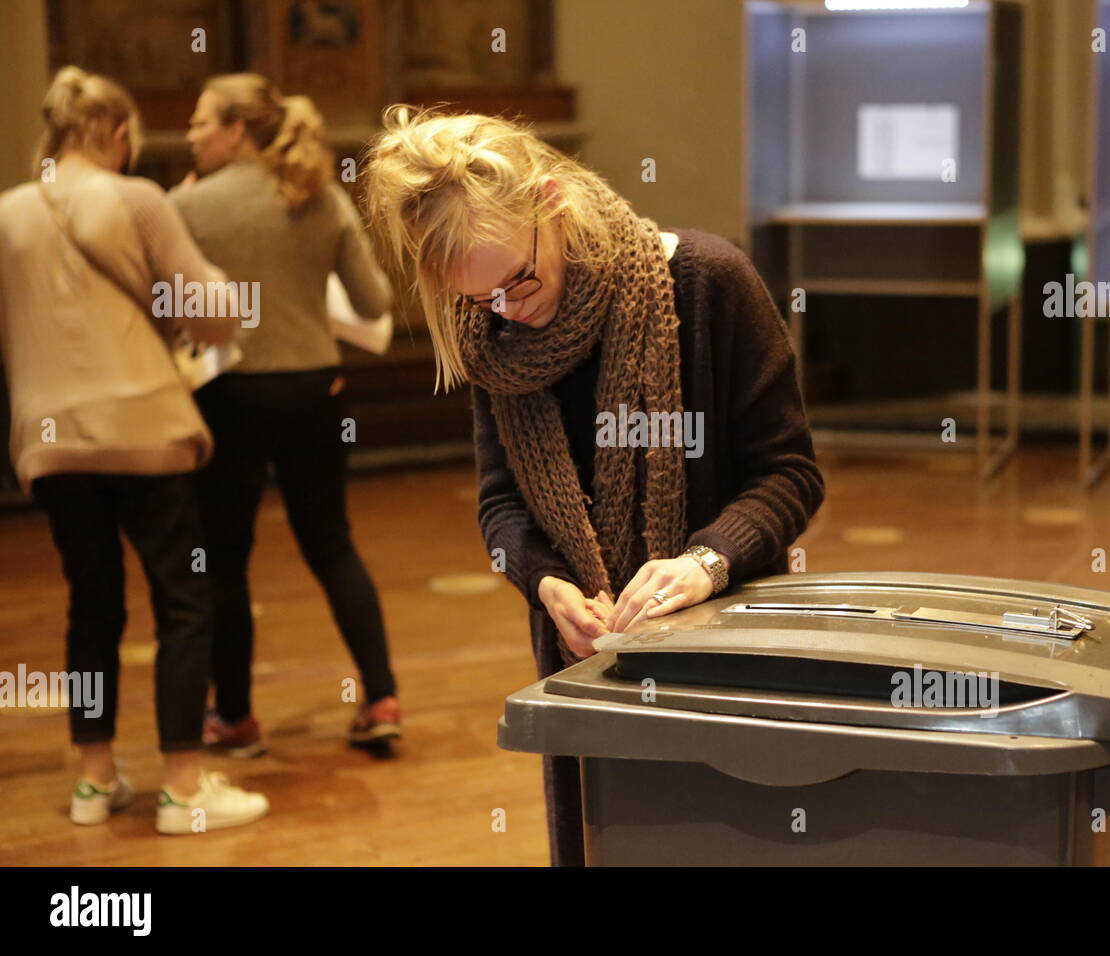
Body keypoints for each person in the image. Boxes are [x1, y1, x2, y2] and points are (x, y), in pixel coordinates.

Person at [363, 107, 825, 865]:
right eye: (479, 300)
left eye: (518, 279)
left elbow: (791, 474)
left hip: (726, 651)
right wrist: (545, 583)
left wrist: (704, 563)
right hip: (584, 663)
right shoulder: (492, 338)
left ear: (551, 201)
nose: (508, 310)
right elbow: (501, 505)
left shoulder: (706, 282)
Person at [0, 66, 269, 833]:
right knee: (183, 604)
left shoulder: (8, 213)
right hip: (142, 434)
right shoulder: (137, 198)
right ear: (118, 135)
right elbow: (211, 311)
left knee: (91, 606)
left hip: (49, 444)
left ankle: (94, 779)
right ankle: (183, 788)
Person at [170, 75, 400, 756]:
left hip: (230, 393)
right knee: (332, 544)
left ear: (237, 129)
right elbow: (375, 299)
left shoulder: (187, 206)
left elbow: (168, 304)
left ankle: (235, 718)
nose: (190, 134)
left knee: (226, 557)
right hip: (315, 392)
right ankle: (382, 697)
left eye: (201, 122)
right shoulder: (318, 194)